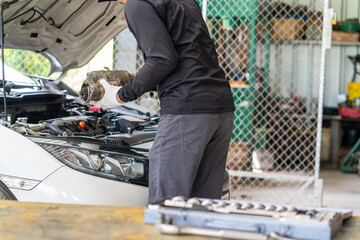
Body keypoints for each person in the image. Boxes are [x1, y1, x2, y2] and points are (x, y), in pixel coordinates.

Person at [96, 0, 235, 204]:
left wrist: (119, 96)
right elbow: (190, 59)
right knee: (203, 207)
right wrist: (136, 79)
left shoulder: (136, 4)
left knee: (167, 206)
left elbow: (162, 60)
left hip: (187, 111)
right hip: (220, 108)